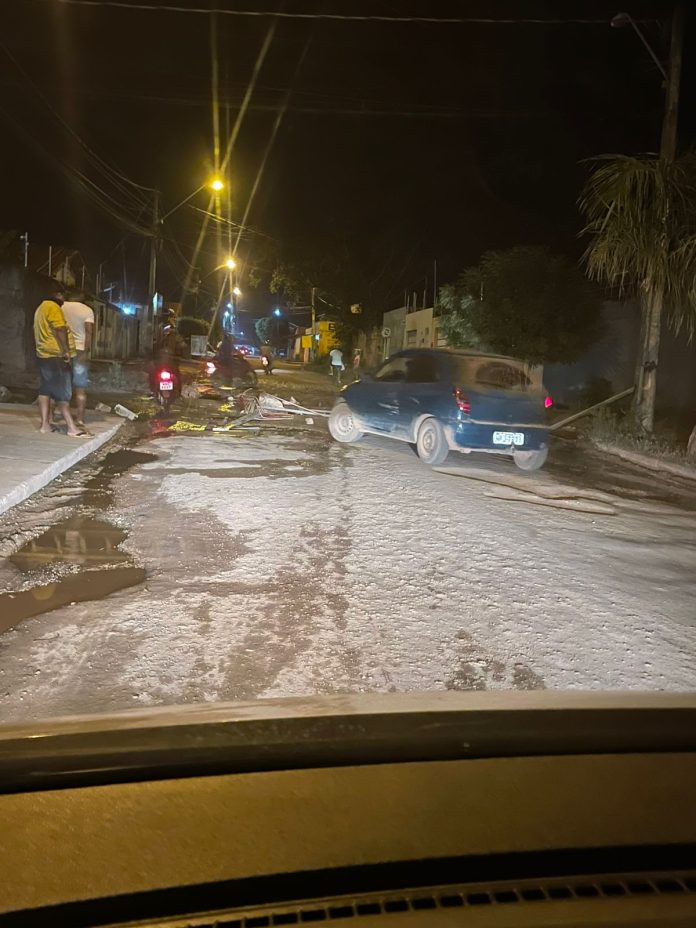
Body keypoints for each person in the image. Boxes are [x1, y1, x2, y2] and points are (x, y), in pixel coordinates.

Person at [33, 289, 83, 437]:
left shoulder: (40, 308)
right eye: (61, 295)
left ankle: (45, 425)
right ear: (56, 295)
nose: (63, 298)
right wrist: (65, 351)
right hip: (55, 354)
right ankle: (72, 428)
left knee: (45, 390)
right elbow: (60, 329)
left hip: (43, 354)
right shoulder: (53, 307)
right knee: (63, 392)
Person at [61, 291, 94, 428]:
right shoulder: (87, 310)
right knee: (80, 387)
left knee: (60, 384)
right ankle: (79, 419)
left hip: (62, 350)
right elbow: (89, 332)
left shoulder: (61, 307)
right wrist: (86, 350)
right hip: (79, 350)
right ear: (82, 297)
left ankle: (53, 416)